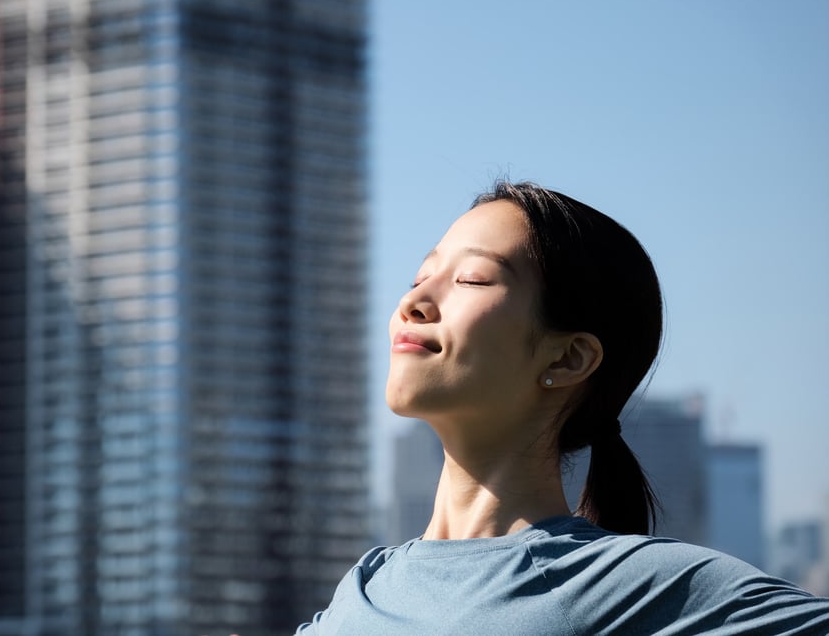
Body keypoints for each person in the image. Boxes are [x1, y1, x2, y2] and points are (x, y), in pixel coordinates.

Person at [294, 181, 829, 635]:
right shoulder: (362, 589)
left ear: (571, 357)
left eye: (472, 279)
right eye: (419, 277)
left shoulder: (632, 587)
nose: (413, 301)